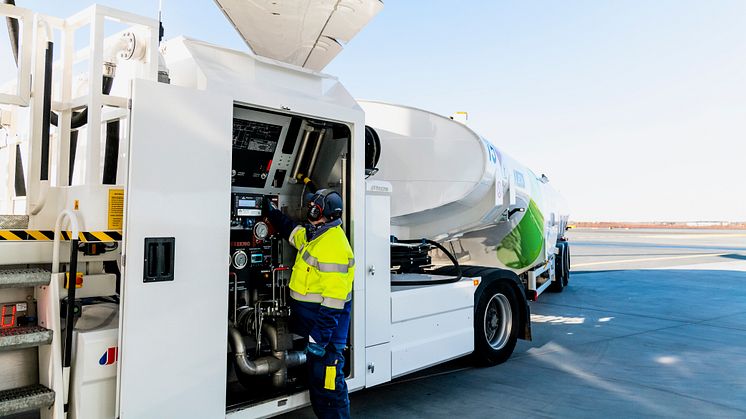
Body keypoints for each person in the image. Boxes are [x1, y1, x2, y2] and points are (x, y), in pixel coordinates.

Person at [264, 188, 354, 419]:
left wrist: (319, 338)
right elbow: (294, 233)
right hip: (315, 330)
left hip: (326, 336)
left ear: (318, 210)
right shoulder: (318, 235)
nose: (308, 210)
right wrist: (273, 214)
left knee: (329, 386)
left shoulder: (334, 245)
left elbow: (334, 303)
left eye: (312, 207)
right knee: (319, 384)